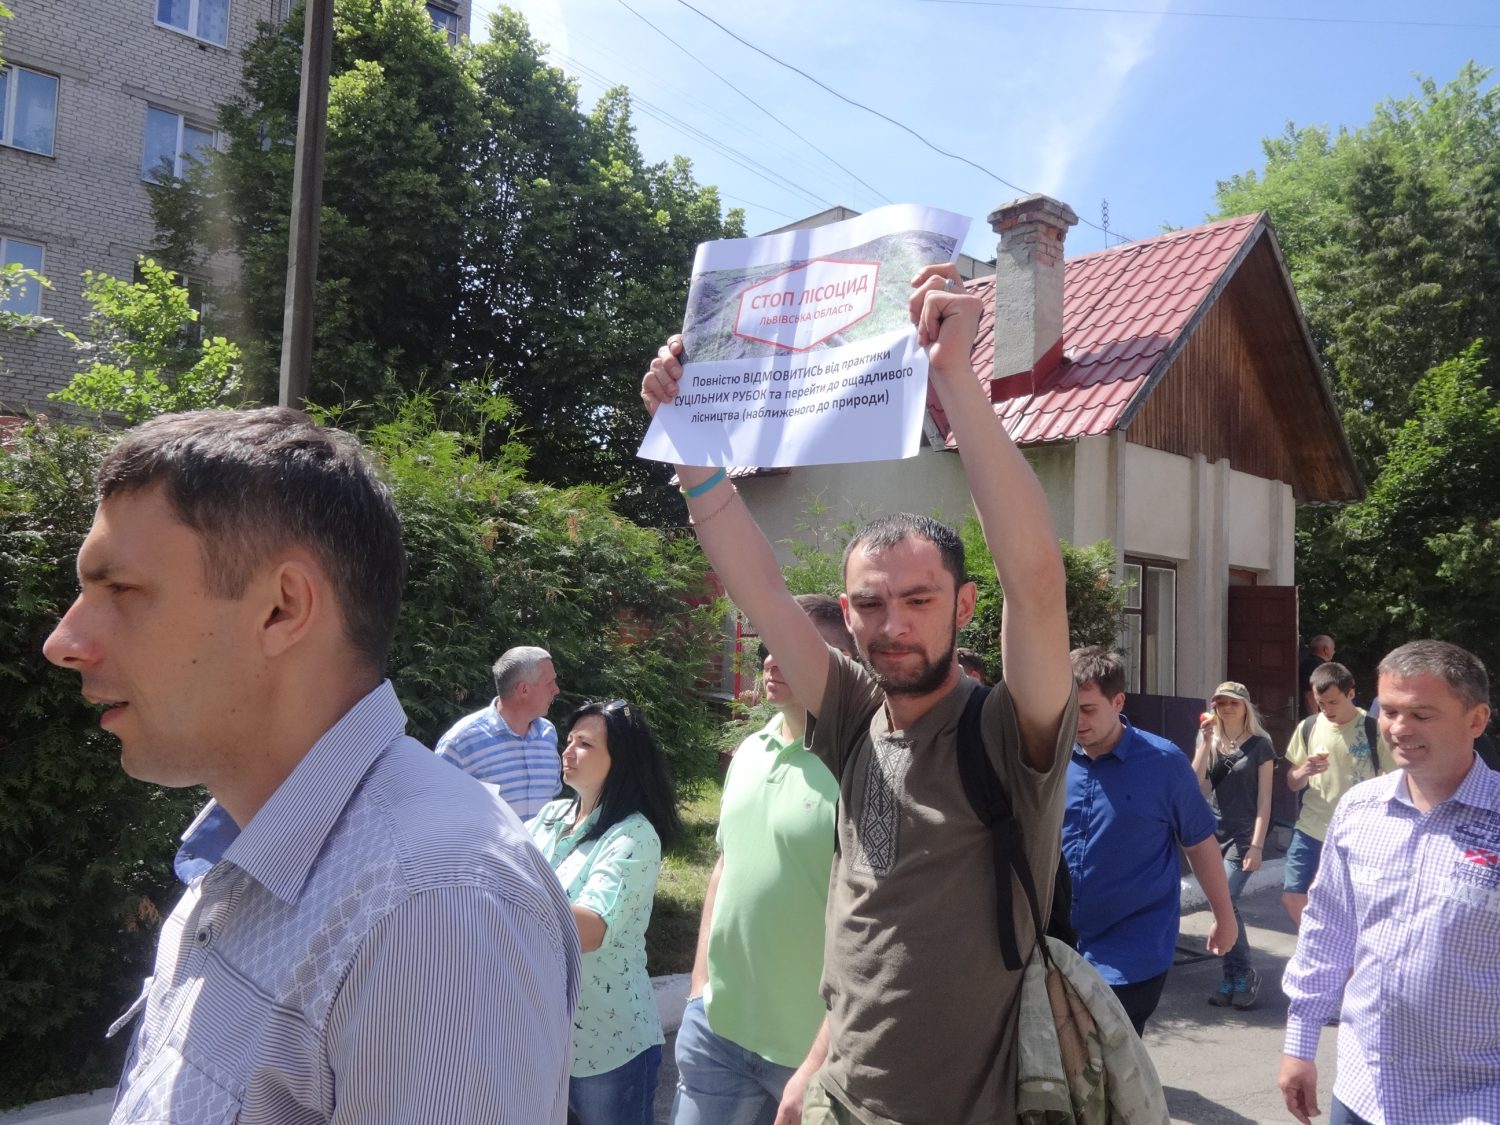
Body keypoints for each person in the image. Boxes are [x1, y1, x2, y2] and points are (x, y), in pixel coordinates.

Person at [42, 407, 580, 1124]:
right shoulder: (251, 846)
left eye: (120, 590)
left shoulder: (437, 909)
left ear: (281, 609)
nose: (63, 641)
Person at [641, 264, 1078, 1124]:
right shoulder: (850, 714)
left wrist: (954, 378)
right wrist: (688, 438)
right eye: (870, 604)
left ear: (964, 606)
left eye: (919, 600)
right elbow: (763, 594)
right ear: (846, 612)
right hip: (838, 1098)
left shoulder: (1006, 734)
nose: (893, 625)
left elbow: (1036, 584)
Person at [1278, 640, 1500, 1125]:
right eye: (1391, 711)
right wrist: (1300, 1045)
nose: (1399, 728)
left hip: (1473, 1101)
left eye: (1421, 714)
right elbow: (1326, 931)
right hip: (1362, 1088)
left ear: (1476, 720)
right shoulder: (1359, 809)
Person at [672, 595, 853, 1125]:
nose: (772, 660)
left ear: (841, 664)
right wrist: (698, 989)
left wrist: (821, 1056)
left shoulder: (859, 766)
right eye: (769, 647)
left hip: (813, 1052)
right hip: (717, 1031)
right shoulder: (751, 750)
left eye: (793, 647)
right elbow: (724, 869)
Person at [1064, 647, 1237, 1036]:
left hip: (1131, 952)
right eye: (1069, 708)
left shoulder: (1163, 763)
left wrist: (1224, 917)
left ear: (1118, 702)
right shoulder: (1051, 758)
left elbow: (1199, 843)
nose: (1076, 720)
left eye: (1088, 709)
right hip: (1061, 945)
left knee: (1111, 1060)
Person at [528, 699, 682, 1125]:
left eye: (585, 744)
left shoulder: (633, 835)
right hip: (545, 1039)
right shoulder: (551, 816)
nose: (568, 751)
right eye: (569, 740)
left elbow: (589, 929)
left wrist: (514, 898)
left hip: (608, 1046)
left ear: (621, 761)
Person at [1190, 681, 1275, 1010]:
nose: (1226, 708)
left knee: (1225, 900)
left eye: (1233, 703)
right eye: (1221, 703)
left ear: (1245, 707)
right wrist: (1205, 742)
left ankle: (1243, 973)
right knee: (1222, 904)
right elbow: (1194, 785)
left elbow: (1265, 801)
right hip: (1213, 833)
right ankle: (1232, 976)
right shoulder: (1209, 740)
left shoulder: (1260, 745)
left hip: (1243, 836)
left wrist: (1257, 846)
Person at [1281, 661, 1383, 928]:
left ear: (1351, 694)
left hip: (1359, 833)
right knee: (1293, 896)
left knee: (1351, 905)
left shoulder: (1373, 729)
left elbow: (1396, 779)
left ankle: (1341, 949)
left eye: (1333, 702)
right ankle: (1316, 946)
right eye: (1320, 703)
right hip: (1311, 828)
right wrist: (1304, 770)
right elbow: (1292, 782)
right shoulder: (1308, 727)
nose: (1326, 709)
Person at [436, 645, 562, 818]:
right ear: (524, 690)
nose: (556, 689)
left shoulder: (548, 734)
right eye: (550, 683)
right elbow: (437, 812)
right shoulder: (460, 743)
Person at [1300, 635, 1335, 715]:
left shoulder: (1310, 663)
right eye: (1333, 648)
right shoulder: (1314, 665)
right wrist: (1316, 719)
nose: (1334, 652)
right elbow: (1309, 694)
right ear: (1325, 649)